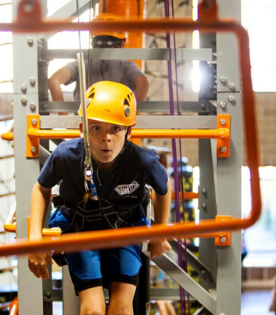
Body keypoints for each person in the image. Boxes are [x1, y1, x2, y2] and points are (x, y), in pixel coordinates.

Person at [28, 81, 171, 315]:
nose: (106, 138)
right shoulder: (66, 156)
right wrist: (35, 237)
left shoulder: (142, 161)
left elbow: (164, 189)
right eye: (96, 128)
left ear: (129, 131)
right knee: (92, 311)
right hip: (81, 230)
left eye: (116, 129)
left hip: (126, 230)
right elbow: (40, 189)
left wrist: (160, 233)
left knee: (122, 310)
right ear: (82, 128)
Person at [48, 13, 149, 104]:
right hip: (116, 122)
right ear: (122, 44)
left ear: (92, 42)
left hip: (85, 122)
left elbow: (54, 80)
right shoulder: (126, 67)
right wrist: (133, 110)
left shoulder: (82, 64)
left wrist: (64, 117)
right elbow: (143, 83)